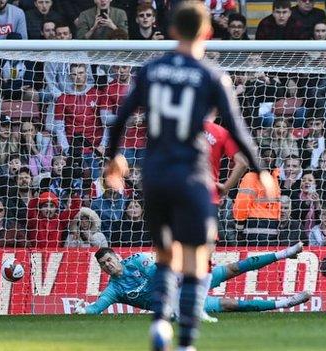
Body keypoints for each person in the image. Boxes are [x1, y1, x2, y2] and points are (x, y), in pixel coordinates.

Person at [103, 3, 275, 350]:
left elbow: (120, 118)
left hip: (155, 175)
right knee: (196, 258)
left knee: (166, 256)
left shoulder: (151, 70)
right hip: (193, 178)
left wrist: (113, 160)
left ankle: (159, 325)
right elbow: (238, 128)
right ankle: (185, 341)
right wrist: (260, 171)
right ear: (207, 33)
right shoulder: (211, 75)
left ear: (173, 32)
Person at [73, 245, 310, 315]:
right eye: (103, 264)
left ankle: (284, 253)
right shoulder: (114, 289)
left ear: (117, 257)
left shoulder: (137, 261)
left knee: (235, 267)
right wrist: (82, 310)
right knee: (231, 304)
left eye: (109, 259)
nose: (108, 265)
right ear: (102, 269)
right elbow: (97, 307)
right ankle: (285, 303)